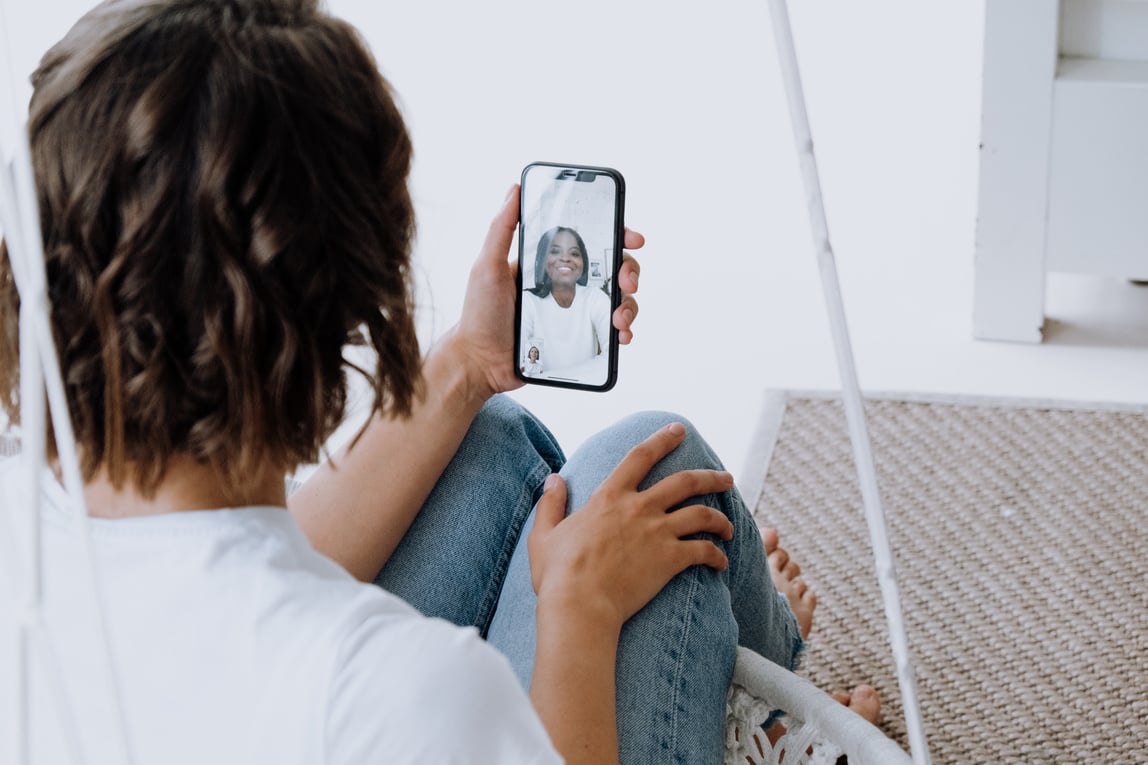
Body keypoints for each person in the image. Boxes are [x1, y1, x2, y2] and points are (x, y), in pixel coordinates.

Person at [0, 0, 880, 762]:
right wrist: (578, 607)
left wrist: (468, 360)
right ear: (349, 300)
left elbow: (237, 575)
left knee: (488, 442)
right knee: (647, 470)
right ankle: (768, 719)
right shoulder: (407, 694)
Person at [520, 225, 612, 374]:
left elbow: (611, 357)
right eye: (555, 251)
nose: (565, 258)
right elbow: (520, 364)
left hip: (587, 393)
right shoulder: (528, 301)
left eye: (574, 253)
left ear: (583, 263)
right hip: (539, 392)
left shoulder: (595, 297)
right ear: (542, 259)